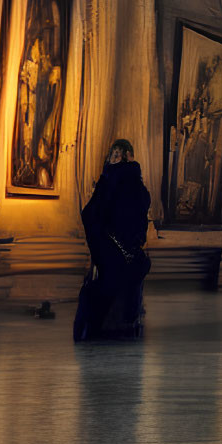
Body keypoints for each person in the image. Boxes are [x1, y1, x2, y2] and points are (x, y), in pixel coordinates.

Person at [74, 140, 151, 341]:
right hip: (124, 250)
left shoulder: (111, 180)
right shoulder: (130, 183)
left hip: (113, 248)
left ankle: (96, 328)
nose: (114, 159)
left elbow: (92, 214)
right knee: (128, 278)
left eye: (118, 155)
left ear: (127, 157)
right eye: (113, 155)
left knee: (108, 285)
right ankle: (126, 322)